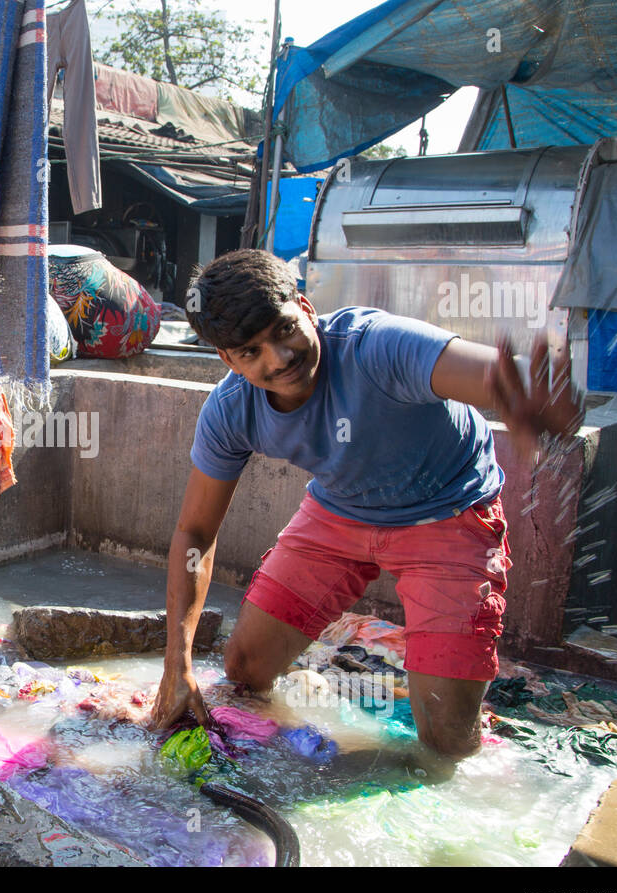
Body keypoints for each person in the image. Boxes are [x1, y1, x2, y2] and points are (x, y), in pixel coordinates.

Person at [151, 249, 584, 757]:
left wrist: (530, 394)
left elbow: (491, 374)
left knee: (445, 736)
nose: (278, 358)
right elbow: (196, 534)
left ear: (306, 309)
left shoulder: (377, 346)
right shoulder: (230, 410)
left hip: (448, 512)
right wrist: (176, 665)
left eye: (284, 330)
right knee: (244, 669)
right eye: (250, 351)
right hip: (338, 512)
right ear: (227, 359)